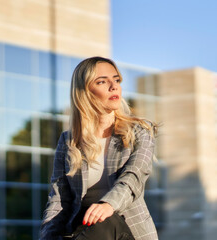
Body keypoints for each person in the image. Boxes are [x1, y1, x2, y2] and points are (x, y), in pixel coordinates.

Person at [39, 57, 158, 240]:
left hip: (126, 231)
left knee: (104, 221)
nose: (114, 86)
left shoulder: (141, 131)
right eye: (102, 82)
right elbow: (59, 200)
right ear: (84, 92)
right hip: (83, 231)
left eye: (116, 80)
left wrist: (108, 205)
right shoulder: (68, 141)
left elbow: (134, 177)